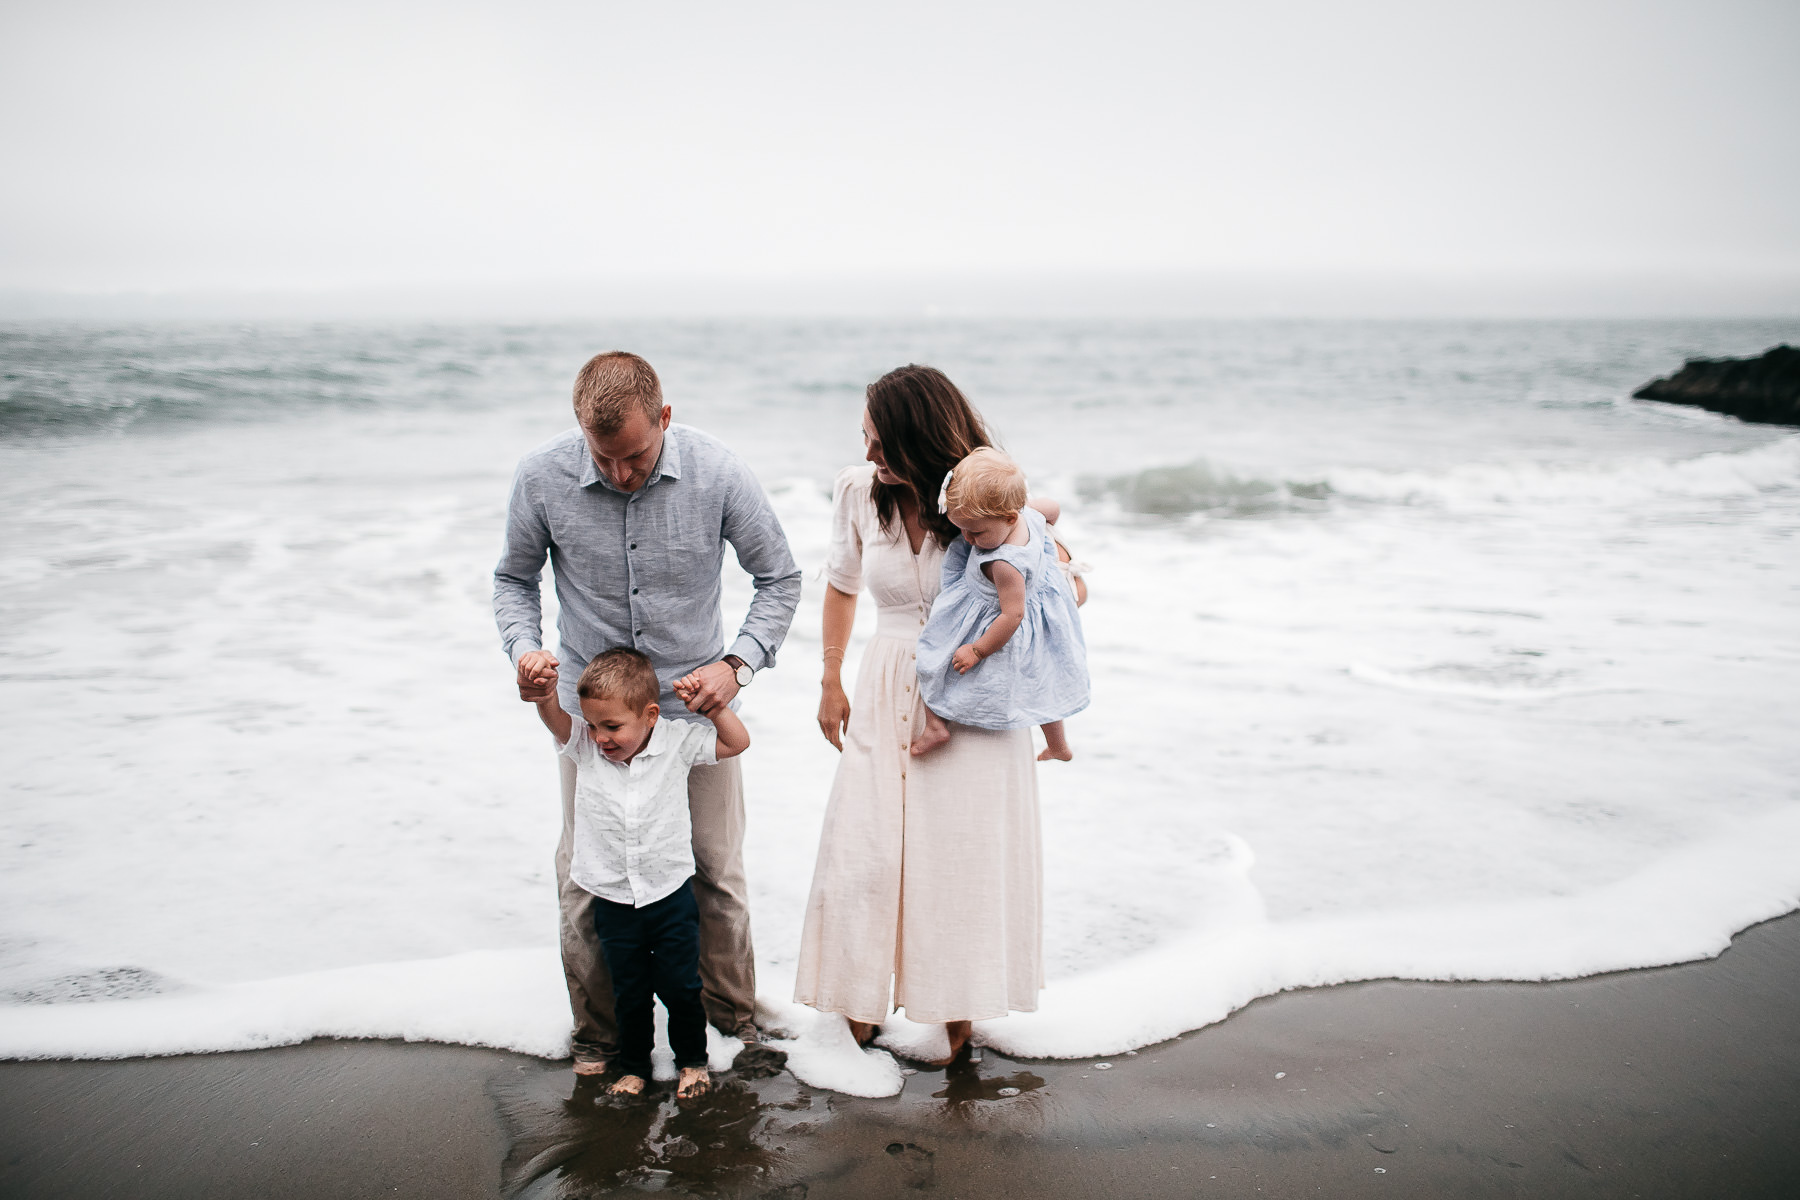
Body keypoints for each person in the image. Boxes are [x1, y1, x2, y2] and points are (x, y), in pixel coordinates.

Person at [494, 351, 801, 1077]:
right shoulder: (540, 477)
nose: (620, 473)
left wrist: (737, 666)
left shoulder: (719, 472)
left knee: (715, 873)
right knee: (583, 880)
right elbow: (513, 579)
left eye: (634, 456)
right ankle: (601, 1038)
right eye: (604, 458)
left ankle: (733, 1026)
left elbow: (780, 578)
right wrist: (524, 650)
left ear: (665, 416)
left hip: (693, 716)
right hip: (595, 724)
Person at [794, 364, 1045, 1064]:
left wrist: (1026, 599)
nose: (870, 453)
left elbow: (1064, 581)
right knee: (862, 852)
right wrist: (830, 678)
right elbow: (841, 585)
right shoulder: (857, 491)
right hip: (884, 681)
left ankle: (956, 1017)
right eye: (866, 437)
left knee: (958, 857)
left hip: (971, 692)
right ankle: (857, 1008)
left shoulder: (982, 494)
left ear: (922, 439)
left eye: (882, 441)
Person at [525, 647, 751, 1100]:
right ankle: (634, 1068)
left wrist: (715, 707)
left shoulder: (677, 742)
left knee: (682, 987)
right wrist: (545, 695)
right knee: (628, 990)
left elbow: (736, 743)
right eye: (593, 725)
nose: (600, 737)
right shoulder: (585, 747)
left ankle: (692, 1062)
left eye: (612, 726)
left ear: (650, 715)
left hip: (669, 894)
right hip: (612, 897)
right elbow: (557, 722)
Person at [910, 447, 1089, 761]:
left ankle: (935, 725)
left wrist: (977, 650)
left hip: (1001, 617)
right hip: (1042, 609)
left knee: (933, 657)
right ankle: (1059, 745)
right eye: (961, 528)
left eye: (976, 531)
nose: (967, 539)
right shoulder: (1029, 514)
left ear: (1008, 517)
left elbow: (1012, 615)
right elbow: (1053, 509)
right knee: (1043, 682)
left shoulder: (1004, 564)